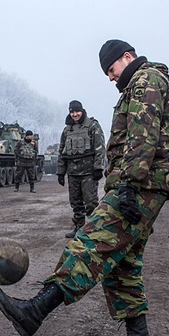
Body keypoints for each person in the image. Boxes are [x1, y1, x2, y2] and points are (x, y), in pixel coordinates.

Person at [0, 39, 169, 336]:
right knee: (122, 265)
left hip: (139, 187)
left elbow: (142, 137)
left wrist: (129, 187)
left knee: (90, 243)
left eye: (111, 68)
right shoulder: (141, 83)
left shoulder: (146, 80)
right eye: (106, 72)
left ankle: (35, 310)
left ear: (127, 56)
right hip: (144, 186)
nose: (109, 76)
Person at [57, 100, 106, 238]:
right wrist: (61, 172)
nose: (74, 114)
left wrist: (98, 167)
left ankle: (92, 229)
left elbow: (100, 148)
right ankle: (79, 227)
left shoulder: (92, 126)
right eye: (72, 112)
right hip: (72, 172)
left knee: (91, 202)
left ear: (82, 111)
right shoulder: (67, 130)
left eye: (77, 111)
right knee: (76, 202)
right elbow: (61, 152)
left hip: (88, 172)